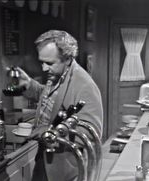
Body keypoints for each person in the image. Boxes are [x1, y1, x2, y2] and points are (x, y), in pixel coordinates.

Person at [17, 30, 103, 181]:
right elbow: (51, 97)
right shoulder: (58, 74)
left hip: (62, 169)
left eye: (49, 63)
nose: (43, 68)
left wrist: (51, 130)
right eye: (41, 62)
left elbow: (92, 132)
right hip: (44, 158)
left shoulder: (84, 85)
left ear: (68, 59)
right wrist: (29, 85)